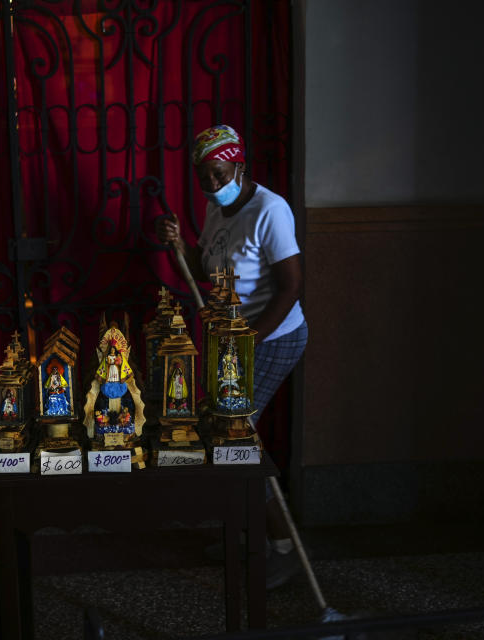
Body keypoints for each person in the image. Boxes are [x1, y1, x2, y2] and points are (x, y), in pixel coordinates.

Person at [156, 124, 308, 589]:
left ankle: (281, 548)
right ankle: (251, 535)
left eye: (219, 175)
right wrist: (180, 247)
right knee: (228, 439)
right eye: (204, 178)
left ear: (239, 165)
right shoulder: (215, 207)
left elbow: (291, 286)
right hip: (232, 341)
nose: (212, 186)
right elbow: (207, 266)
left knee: (234, 434)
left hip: (275, 336)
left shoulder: (271, 210)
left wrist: (249, 342)